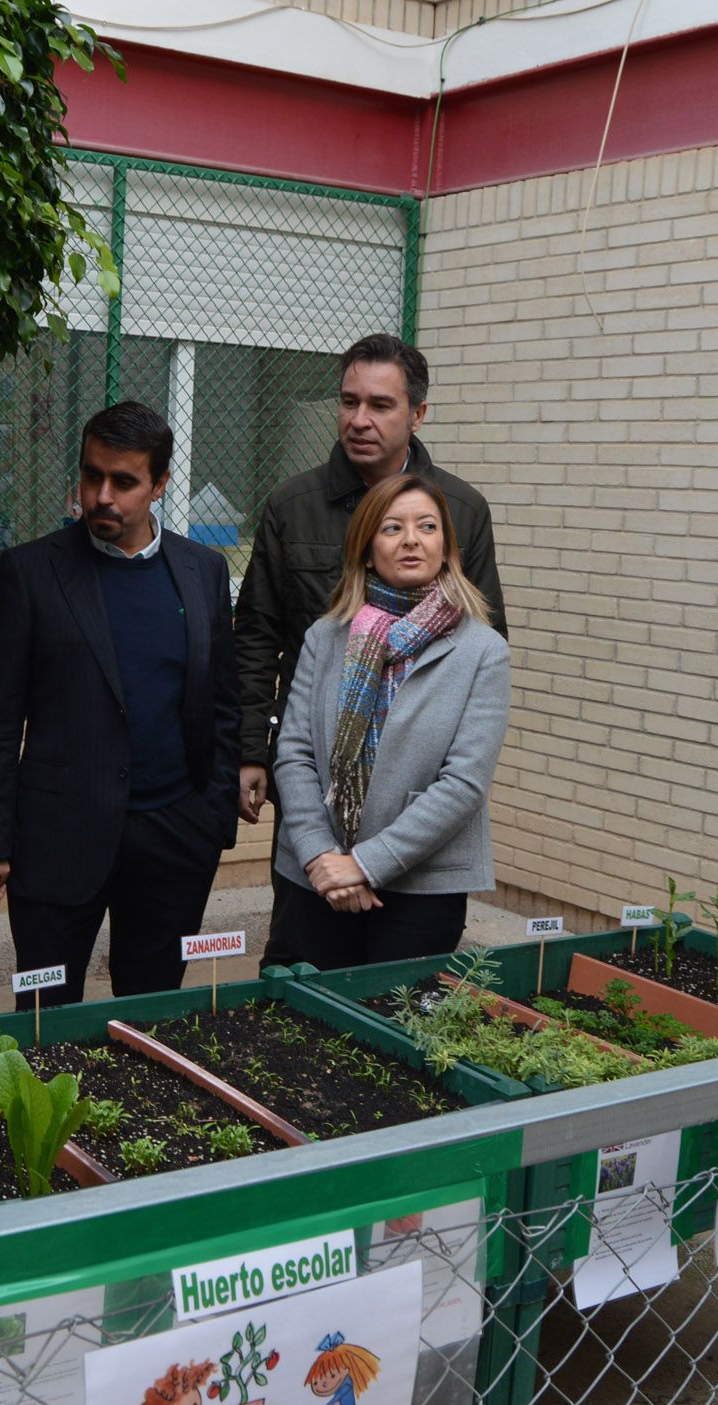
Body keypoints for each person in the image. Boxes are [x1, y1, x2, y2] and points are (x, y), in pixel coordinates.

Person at [236, 333, 507, 967]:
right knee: (301, 977)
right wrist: (253, 749)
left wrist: (371, 860)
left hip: (419, 823)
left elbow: (484, 642)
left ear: (417, 414)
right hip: (317, 805)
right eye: (349, 401)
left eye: (380, 405)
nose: (360, 419)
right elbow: (255, 635)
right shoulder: (293, 505)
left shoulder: (463, 509)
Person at [0, 401, 240, 1008]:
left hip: (175, 837)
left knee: (151, 1007)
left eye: (124, 481)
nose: (102, 497)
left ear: (160, 483)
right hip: (57, 836)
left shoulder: (203, 571)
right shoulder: (31, 572)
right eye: (92, 476)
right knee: (43, 1015)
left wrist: (211, 818)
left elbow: (223, 700)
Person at [270, 474, 509, 970]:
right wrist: (320, 857)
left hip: (422, 888)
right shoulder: (324, 637)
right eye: (391, 528)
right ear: (365, 547)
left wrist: (364, 864)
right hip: (319, 879)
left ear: (446, 546)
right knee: (311, 1033)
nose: (411, 540)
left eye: (427, 526)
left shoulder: (482, 651)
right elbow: (293, 752)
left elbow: (464, 783)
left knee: (396, 1034)